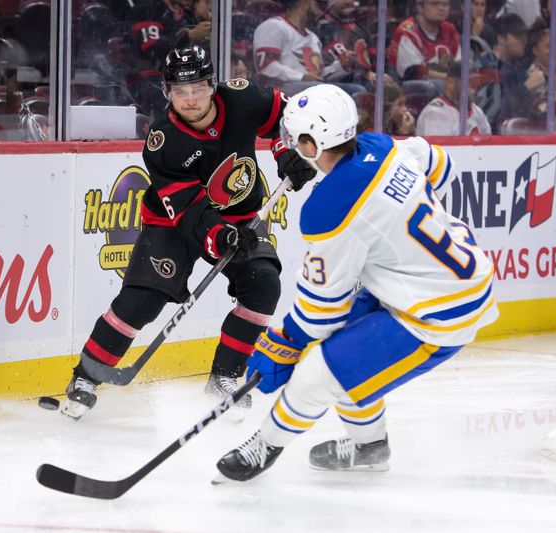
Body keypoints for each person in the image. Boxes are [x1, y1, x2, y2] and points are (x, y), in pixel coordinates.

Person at [213, 83, 499, 481]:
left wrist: (286, 340)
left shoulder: (330, 208)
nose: (291, 145)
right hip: (451, 282)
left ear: (312, 144)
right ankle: (370, 447)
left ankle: (265, 446)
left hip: (436, 313)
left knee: (318, 371)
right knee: (346, 354)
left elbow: (321, 312)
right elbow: (440, 164)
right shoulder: (381, 146)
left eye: (296, 139)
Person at [61, 45, 317, 420]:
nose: (191, 99)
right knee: (141, 302)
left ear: (213, 85)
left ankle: (225, 376)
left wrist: (285, 151)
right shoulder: (163, 142)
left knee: (263, 283)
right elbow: (188, 211)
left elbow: (291, 116)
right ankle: (86, 377)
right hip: (174, 226)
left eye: (198, 87)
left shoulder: (243, 97)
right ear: (167, 93)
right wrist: (221, 234)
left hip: (242, 216)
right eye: (180, 91)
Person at [252, 0, 357, 96]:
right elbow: (267, 67)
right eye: (320, 4)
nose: (322, 12)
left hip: (309, 89)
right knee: (340, 91)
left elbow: (318, 76)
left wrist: (340, 66)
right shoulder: (274, 26)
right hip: (280, 90)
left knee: (356, 91)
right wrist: (301, 77)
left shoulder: (313, 38)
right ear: (303, 4)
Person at [387, 0, 461, 81]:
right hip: (411, 89)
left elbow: (458, 65)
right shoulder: (407, 30)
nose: (441, 8)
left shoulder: (450, 30)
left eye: (445, 4)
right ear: (420, 7)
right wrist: (449, 78)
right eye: (435, 4)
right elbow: (413, 72)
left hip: (447, 86)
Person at [417, 61, 492, 135]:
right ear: (450, 83)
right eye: (471, 82)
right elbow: (440, 147)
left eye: (477, 82)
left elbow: (490, 143)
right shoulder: (434, 113)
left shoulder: (477, 111)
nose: (476, 86)